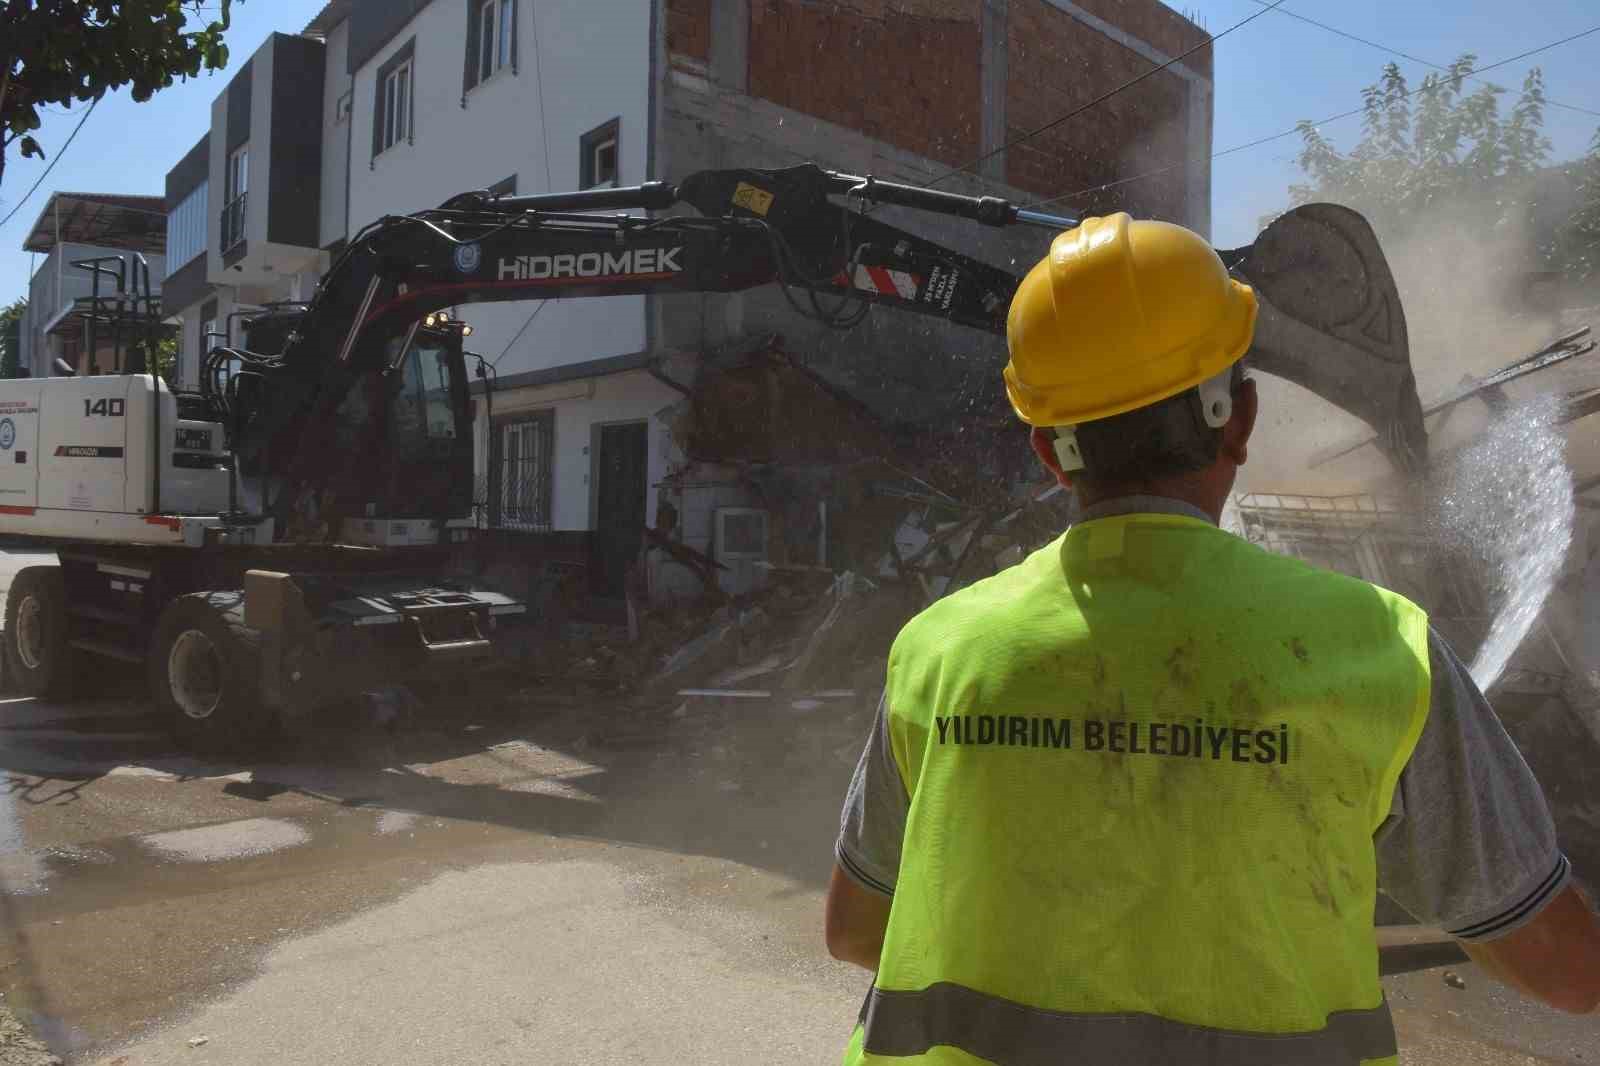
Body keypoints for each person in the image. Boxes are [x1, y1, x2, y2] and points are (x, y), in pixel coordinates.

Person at [825, 213, 1600, 1065]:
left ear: (1049, 452)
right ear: (1240, 419)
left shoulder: (936, 650)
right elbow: (1565, 971)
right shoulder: (1380, 647)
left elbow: (857, 932)